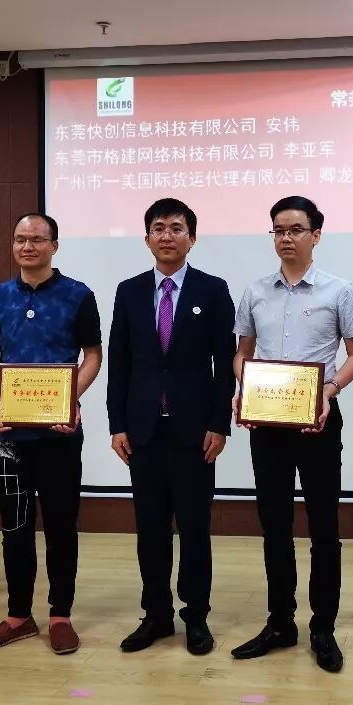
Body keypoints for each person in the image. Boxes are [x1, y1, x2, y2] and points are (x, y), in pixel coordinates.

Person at [231, 196, 353, 673]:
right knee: (274, 525)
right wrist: (244, 387)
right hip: (268, 423)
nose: (286, 238)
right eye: (278, 230)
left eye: (295, 230)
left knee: (324, 528)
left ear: (316, 235)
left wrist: (329, 390)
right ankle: (280, 623)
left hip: (318, 421)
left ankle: (322, 628)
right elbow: (243, 352)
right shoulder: (255, 292)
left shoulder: (338, 291)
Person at [0, 213, 103, 656]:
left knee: (62, 527)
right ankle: (18, 616)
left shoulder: (78, 295)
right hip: (7, 436)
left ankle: (60, 615)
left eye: (37, 240)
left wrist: (70, 398)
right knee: (14, 528)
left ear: (54, 246)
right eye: (20, 239)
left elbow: (92, 356)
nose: (27, 247)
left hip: (59, 433)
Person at [107, 198, 236, 656]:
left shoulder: (213, 289)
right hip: (143, 430)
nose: (167, 235)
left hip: (194, 432)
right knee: (151, 528)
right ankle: (156, 615)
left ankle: (195, 616)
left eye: (176, 228)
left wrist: (219, 423)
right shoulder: (128, 291)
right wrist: (117, 424)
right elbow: (119, 362)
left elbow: (225, 364)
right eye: (158, 227)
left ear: (191, 238)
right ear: (147, 238)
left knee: (195, 527)